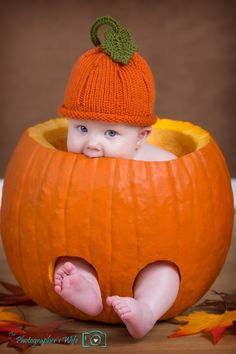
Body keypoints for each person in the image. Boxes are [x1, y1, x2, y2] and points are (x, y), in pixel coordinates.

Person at [54, 15, 180, 339]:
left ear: (141, 137)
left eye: (111, 133)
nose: (92, 143)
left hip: (145, 251)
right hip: (85, 246)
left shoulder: (160, 163)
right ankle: (87, 294)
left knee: (165, 272)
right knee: (65, 263)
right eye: (81, 128)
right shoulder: (61, 164)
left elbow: (183, 192)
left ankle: (146, 310)